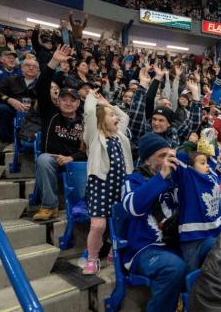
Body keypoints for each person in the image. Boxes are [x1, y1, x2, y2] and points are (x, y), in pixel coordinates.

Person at [122, 133, 185, 312]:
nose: (167, 160)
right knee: (173, 267)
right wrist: (161, 177)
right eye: (161, 156)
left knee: (213, 250)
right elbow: (133, 207)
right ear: (148, 160)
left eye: (169, 155)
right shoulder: (132, 180)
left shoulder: (175, 178)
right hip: (145, 249)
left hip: (175, 244)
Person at [33, 45, 87, 221]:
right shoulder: (50, 111)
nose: (68, 102)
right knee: (43, 159)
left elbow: (88, 149)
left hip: (75, 160)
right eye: (64, 99)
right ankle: (50, 206)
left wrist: (72, 158)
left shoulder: (84, 121)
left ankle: (86, 206)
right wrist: (54, 61)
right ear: (58, 99)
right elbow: (41, 87)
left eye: (73, 100)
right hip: (53, 158)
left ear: (79, 104)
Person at [82, 91, 133, 274]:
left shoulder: (120, 135)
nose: (115, 117)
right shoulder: (94, 136)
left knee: (121, 222)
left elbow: (124, 115)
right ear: (101, 120)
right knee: (98, 225)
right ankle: (92, 258)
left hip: (119, 186)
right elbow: (89, 113)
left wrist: (108, 104)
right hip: (99, 186)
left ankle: (113, 250)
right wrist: (91, 96)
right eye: (111, 115)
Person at [0, 57, 39, 145]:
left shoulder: (42, 84)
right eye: (27, 65)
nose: (31, 68)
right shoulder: (10, 79)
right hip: (12, 108)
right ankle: (7, 140)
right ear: (21, 68)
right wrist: (10, 100)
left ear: (38, 71)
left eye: (34, 66)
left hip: (34, 112)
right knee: (1, 108)